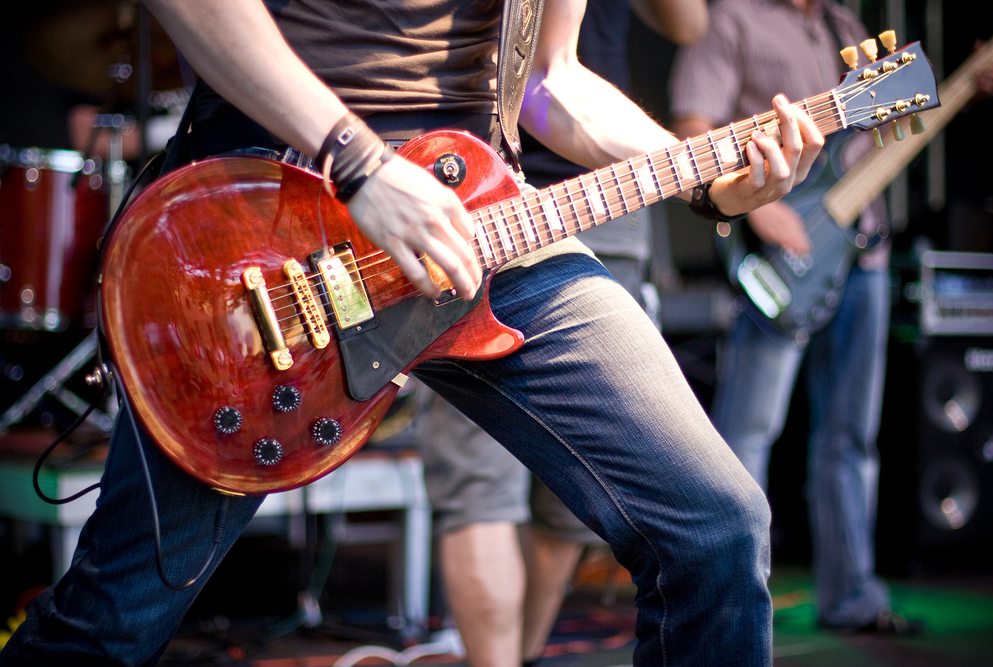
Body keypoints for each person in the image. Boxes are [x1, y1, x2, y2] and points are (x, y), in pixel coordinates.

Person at [0, 1, 824, 665]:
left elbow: (551, 84)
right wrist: (361, 163)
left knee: (714, 526)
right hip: (272, 226)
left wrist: (708, 177)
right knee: (112, 622)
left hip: (483, 216)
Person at [416, 2, 708, 665]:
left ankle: (513, 656)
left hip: (609, 188)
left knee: (572, 501)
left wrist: (704, 171)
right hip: (472, 192)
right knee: (480, 482)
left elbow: (685, 25)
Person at [669, 0, 921, 634]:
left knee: (852, 438)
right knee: (748, 435)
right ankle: (729, 602)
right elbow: (692, 129)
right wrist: (758, 210)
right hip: (785, 255)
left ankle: (852, 597)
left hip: (864, 249)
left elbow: (884, 122)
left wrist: (962, 84)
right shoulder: (733, 18)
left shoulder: (845, 26)